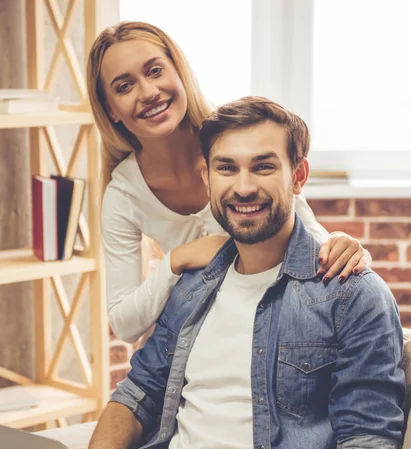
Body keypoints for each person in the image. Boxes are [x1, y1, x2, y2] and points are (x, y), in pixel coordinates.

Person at [5, 97, 404, 449]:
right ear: (207, 176)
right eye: (226, 168)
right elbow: (139, 390)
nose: (243, 187)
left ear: (298, 175)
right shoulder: (197, 282)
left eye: (264, 166)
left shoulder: (351, 295)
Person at [87, 20, 369, 344]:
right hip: (201, 338)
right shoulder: (123, 194)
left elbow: (307, 232)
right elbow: (124, 323)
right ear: (111, 110)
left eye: (154, 71)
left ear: (179, 71)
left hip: (280, 321)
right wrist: (177, 259)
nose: (148, 93)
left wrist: (343, 247)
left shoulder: (235, 139)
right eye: (124, 86)